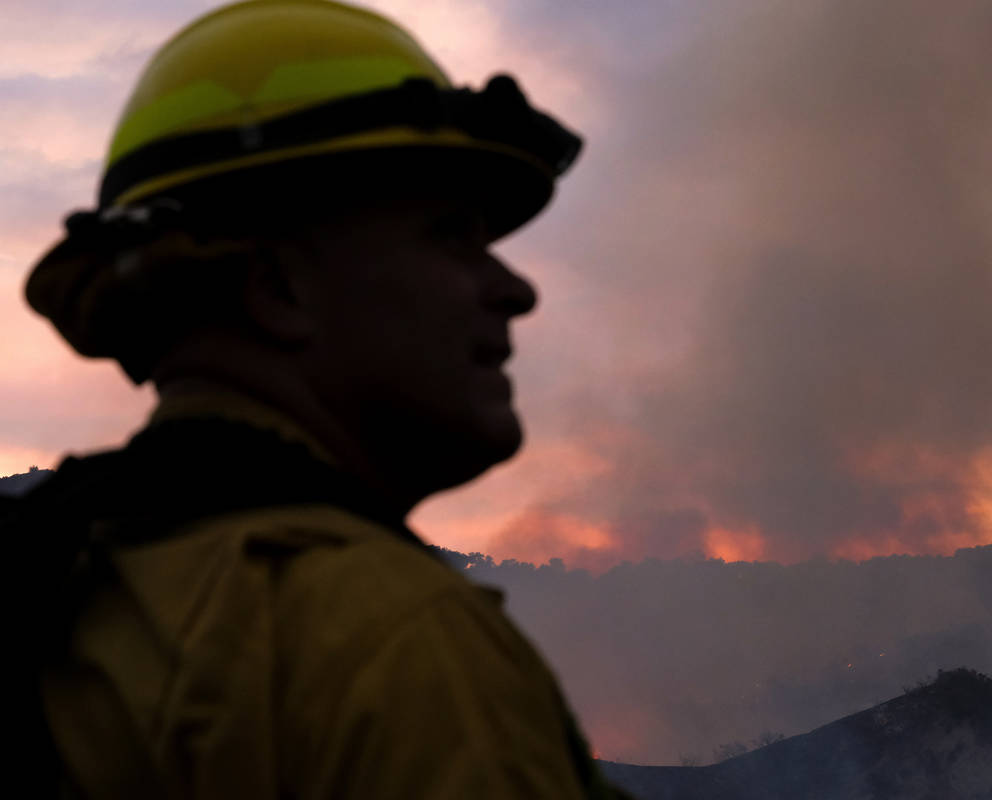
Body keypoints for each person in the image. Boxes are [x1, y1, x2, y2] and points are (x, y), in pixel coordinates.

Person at [10, 1, 634, 797]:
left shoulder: (69, 590)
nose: (514, 290)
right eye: (450, 234)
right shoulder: (383, 641)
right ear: (276, 288)